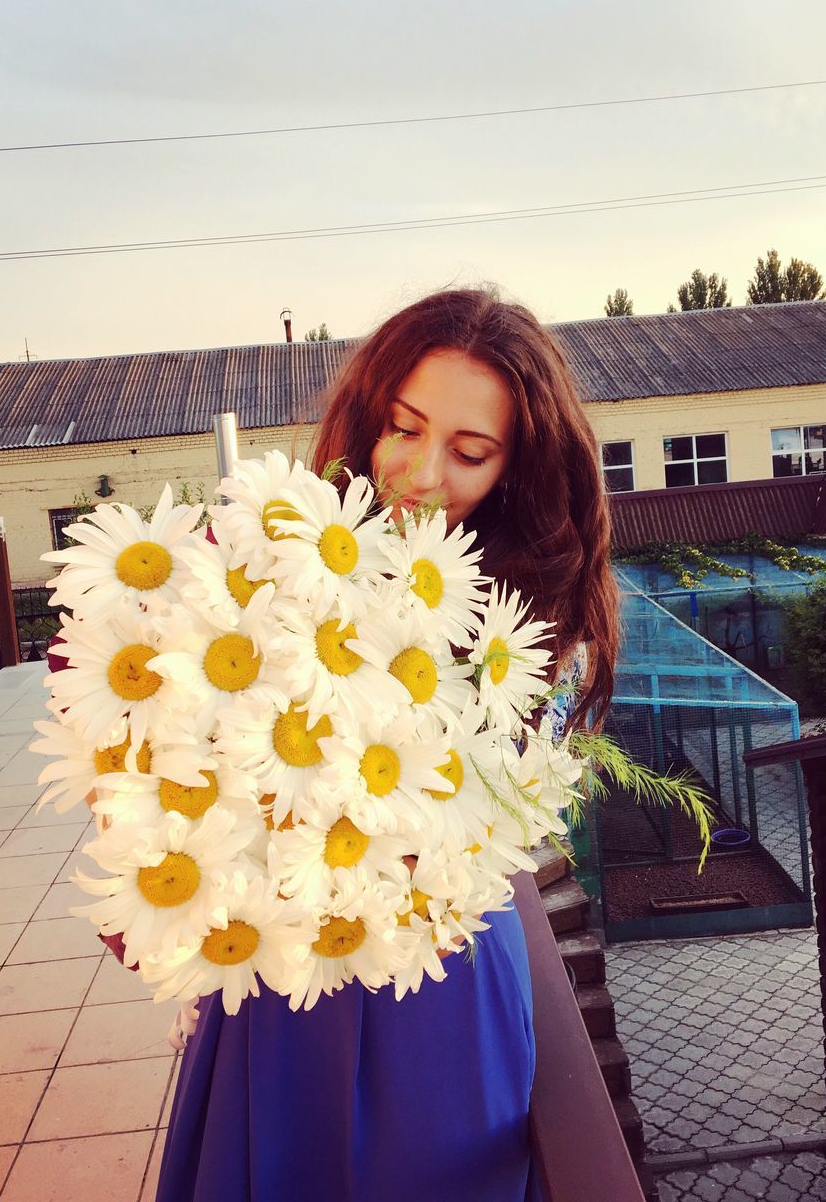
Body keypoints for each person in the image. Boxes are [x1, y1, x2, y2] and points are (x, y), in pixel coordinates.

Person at [145, 287, 619, 1202]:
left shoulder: (531, 632)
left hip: (433, 983)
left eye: (470, 451)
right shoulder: (277, 560)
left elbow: (493, 824)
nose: (420, 473)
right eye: (403, 429)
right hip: (289, 977)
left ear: (516, 470)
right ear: (368, 419)